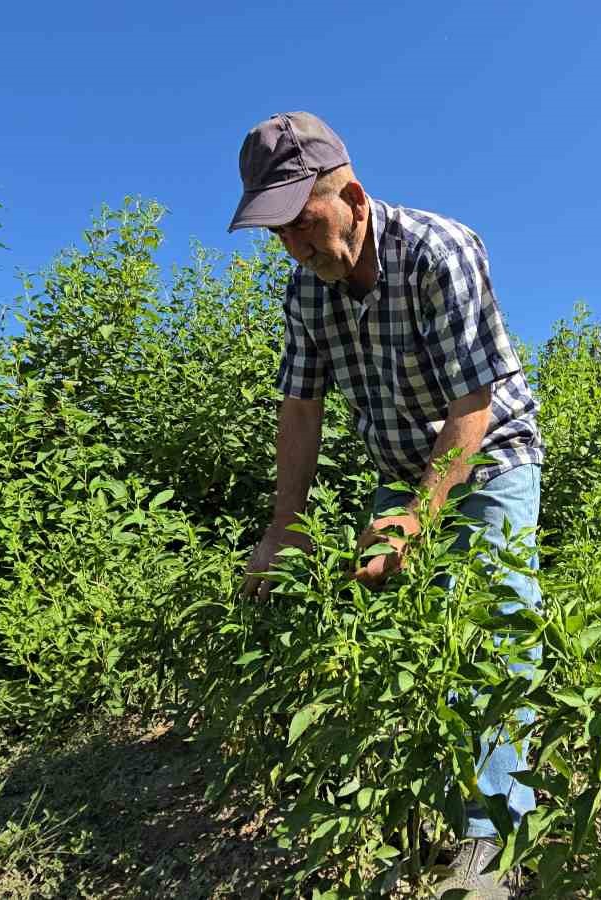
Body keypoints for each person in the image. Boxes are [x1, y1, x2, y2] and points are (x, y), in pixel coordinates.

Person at [229, 111, 544, 898]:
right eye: (280, 234)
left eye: (303, 223)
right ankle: (440, 820)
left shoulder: (440, 250)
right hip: (399, 464)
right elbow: (301, 407)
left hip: (490, 456)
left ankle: (493, 851)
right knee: (415, 636)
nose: (296, 248)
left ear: (354, 198)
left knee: (492, 634)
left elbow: (473, 403)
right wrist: (285, 529)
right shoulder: (309, 288)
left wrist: (416, 518)